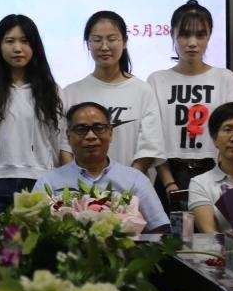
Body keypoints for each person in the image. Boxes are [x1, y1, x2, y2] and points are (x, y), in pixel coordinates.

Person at [0, 14, 65, 212]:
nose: (17, 48)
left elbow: (57, 141)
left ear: (35, 46)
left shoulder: (52, 91)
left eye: (25, 41)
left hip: (40, 181)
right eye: (10, 41)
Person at [149, 0, 233, 201]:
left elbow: (231, 134)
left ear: (209, 36)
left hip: (214, 173)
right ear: (172, 34)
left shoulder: (225, 78)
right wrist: (169, 183)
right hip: (169, 175)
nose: (192, 43)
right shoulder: (157, 80)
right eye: (184, 34)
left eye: (200, 35)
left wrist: (218, 178)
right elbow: (153, 138)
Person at [35, 102, 169, 232]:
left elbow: (159, 228)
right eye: (81, 129)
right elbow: (35, 229)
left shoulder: (135, 179)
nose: (91, 136)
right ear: (68, 136)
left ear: (110, 132)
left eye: (98, 128)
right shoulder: (48, 182)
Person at [61, 11, 163, 174]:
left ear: (124, 42)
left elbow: (149, 148)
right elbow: (65, 147)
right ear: (88, 43)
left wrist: (128, 183)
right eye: (97, 40)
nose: (104, 47)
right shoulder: (71, 93)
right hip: (79, 187)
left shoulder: (142, 91)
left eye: (111, 39)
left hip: (130, 186)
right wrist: (76, 183)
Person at [187, 103, 233, 234]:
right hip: (219, 247)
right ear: (215, 139)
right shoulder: (200, 183)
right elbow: (209, 231)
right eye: (228, 130)